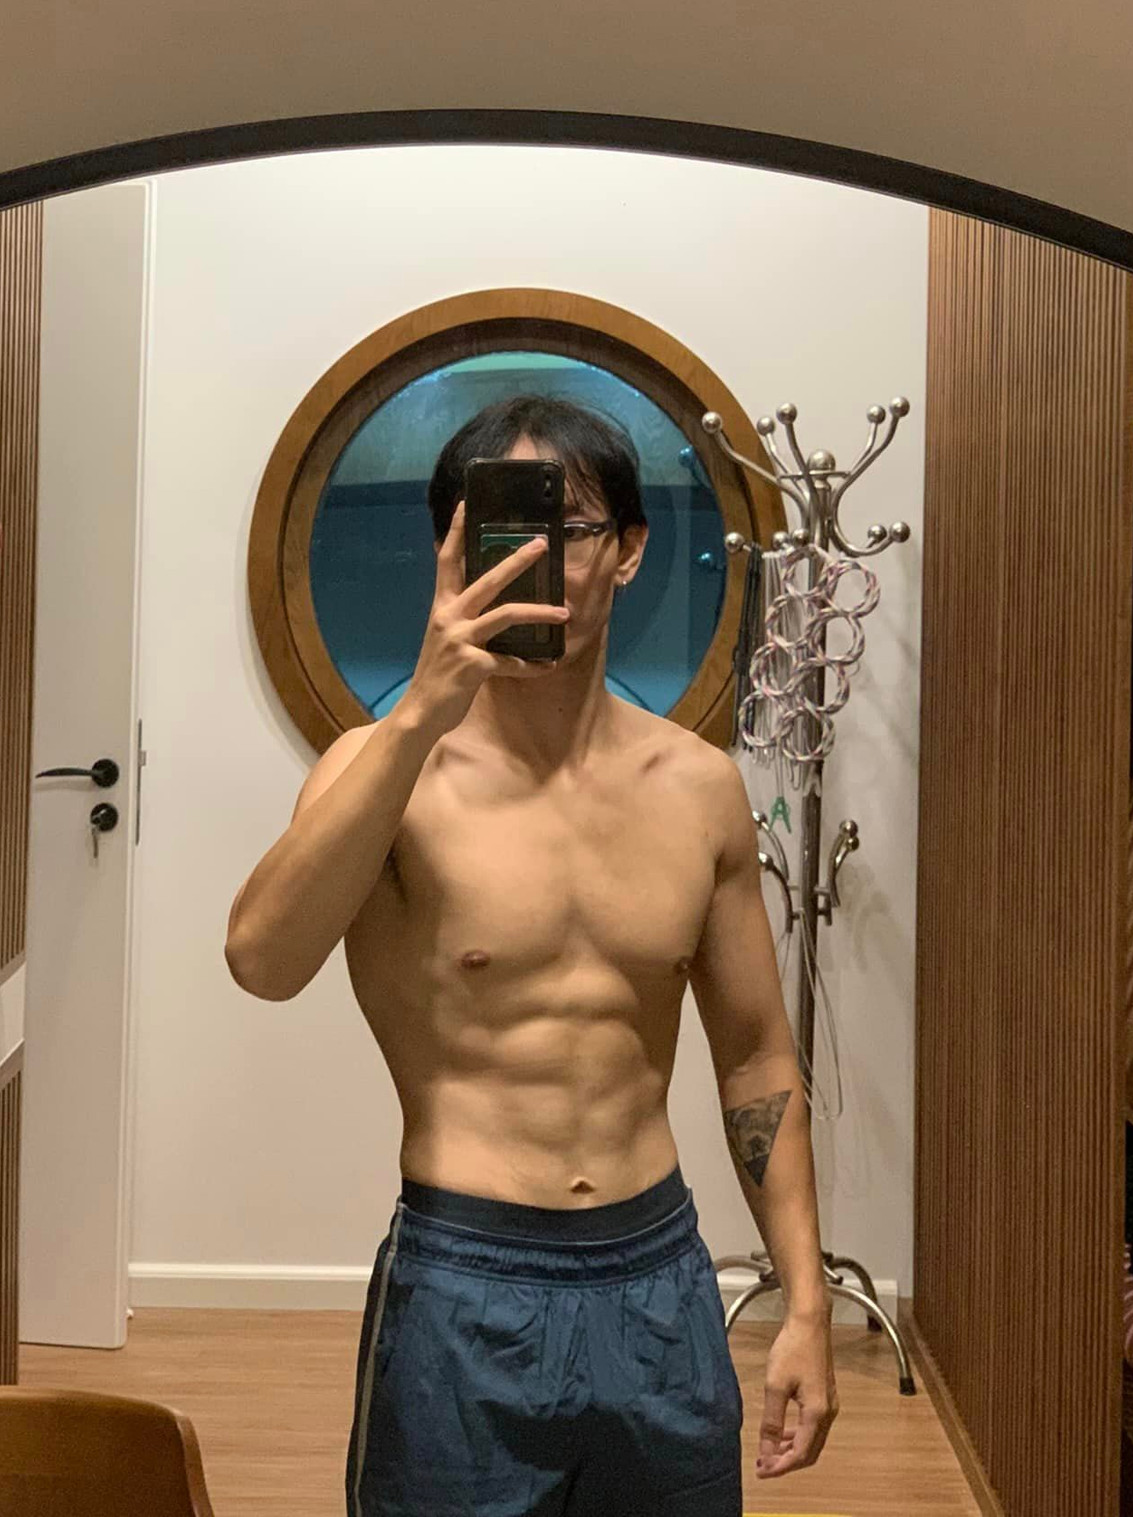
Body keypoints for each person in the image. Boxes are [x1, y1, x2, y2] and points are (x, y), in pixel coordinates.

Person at [225, 394, 837, 1516]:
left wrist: (804, 1299)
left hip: (658, 1278)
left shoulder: (697, 788)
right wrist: (420, 713)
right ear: (451, 552)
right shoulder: (385, 770)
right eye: (503, 532)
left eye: (571, 529)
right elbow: (261, 960)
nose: (535, 563)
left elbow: (756, 1055)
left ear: (630, 551)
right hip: (465, 1279)